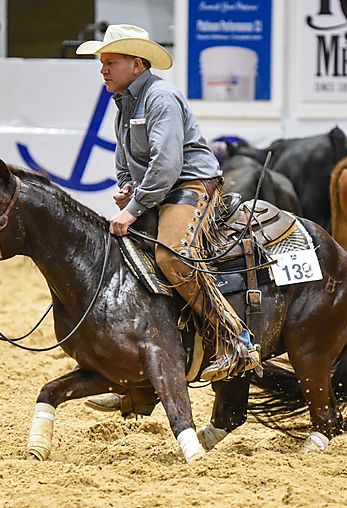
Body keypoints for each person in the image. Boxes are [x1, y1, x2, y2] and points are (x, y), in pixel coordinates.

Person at [76, 25, 261, 411]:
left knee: (172, 256)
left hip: (192, 184)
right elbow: (126, 161)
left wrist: (133, 208)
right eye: (102, 63)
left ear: (136, 64)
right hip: (163, 189)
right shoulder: (125, 102)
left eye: (110, 62)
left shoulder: (160, 98)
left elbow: (167, 164)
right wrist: (128, 187)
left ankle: (236, 339)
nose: (103, 70)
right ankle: (137, 374)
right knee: (124, 260)